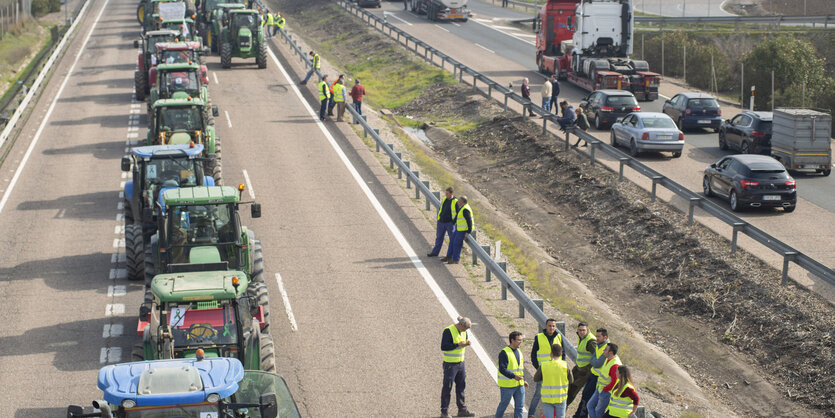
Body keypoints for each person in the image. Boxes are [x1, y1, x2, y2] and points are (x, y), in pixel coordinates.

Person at [441, 316, 476, 418]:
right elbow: (444, 347)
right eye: (465, 329)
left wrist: (465, 344)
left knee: (461, 387)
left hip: (461, 363)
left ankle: (462, 410)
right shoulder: (448, 331)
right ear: (460, 325)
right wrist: (457, 345)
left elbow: (462, 343)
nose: (465, 331)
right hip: (450, 365)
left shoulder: (464, 331)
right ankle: (444, 411)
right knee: (447, 387)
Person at [528, 319, 564, 417]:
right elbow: (533, 355)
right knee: (538, 394)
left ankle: (551, 414)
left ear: (555, 327)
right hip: (543, 371)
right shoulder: (539, 337)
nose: (551, 328)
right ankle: (531, 414)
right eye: (549, 325)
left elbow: (563, 354)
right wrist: (539, 368)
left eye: (553, 326)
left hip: (557, 371)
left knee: (555, 392)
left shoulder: (559, 337)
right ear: (545, 326)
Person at [572, 329, 609, 418]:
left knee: (589, 400)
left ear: (605, 337)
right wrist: (593, 361)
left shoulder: (607, 348)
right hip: (593, 376)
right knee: (586, 397)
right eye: (596, 336)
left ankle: (580, 416)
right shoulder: (599, 345)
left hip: (599, 379)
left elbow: (596, 363)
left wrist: (593, 361)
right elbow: (593, 360)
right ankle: (579, 415)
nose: (596, 338)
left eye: (598, 336)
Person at [534, 344, 573, 418]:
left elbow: (536, 378)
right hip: (561, 398)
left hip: (547, 398)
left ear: (551, 353)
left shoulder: (544, 365)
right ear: (561, 354)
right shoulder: (565, 365)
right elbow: (571, 380)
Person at [495, 331, 527, 418]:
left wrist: (524, 380)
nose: (520, 342)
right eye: (518, 340)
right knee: (503, 406)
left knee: (519, 408)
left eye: (521, 340)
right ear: (512, 340)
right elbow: (502, 369)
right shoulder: (504, 352)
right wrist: (513, 376)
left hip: (519, 385)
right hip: (507, 386)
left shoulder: (519, 352)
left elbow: (520, 369)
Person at [586, 343, 621, 418]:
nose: (603, 351)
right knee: (590, 405)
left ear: (610, 353)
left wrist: (605, 390)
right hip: (600, 388)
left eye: (605, 350)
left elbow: (615, 382)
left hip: (606, 392)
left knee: (598, 412)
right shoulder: (607, 358)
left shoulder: (615, 365)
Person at [566, 322, 596, 406]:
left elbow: (596, 357)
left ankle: (563, 409)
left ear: (588, 330)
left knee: (573, 390)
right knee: (568, 384)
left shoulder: (591, 341)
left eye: (583, 330)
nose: (582, 332)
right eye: (580, 330)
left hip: (585, 371)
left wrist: (588, 368)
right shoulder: (581, 337)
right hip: (579, 367)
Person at [428, 187, 457, 258]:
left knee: (452, 239)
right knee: (439, 238)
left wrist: (453, 222)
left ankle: (451, 256)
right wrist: (439, 218)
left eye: (447, 193)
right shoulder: (444, 199)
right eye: (445, 193)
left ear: (451, 194)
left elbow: (458, 213)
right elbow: (441, 209)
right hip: (441, 222)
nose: (446, 195)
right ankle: (435, 252)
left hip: (449, 223)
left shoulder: (455, 201)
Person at [443, 195, 472, 264]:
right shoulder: (461, 207)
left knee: (456, 244)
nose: (457, 202)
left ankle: (455, 259)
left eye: (459, 201)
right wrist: (452, 223)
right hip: (458, 229)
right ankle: (449, 256)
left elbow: (469, 221)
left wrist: (468, 231)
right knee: (452, 241)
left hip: (462, 230)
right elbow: (457, 217)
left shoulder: (465, 209)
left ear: (462, 202)